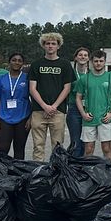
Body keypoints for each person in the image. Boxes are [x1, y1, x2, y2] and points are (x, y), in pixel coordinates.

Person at [27, 32, 76, 162]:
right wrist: (44, 106)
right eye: (47, 43)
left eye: (53, 43)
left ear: (58, 46)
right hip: (38, 110)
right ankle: (39, 170)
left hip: (58, 111)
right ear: (43, 45)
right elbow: (32, 88)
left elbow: (67, 88)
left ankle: (57, 170)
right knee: (38, 146)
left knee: (58, 146)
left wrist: (53, 107)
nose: (50, 46)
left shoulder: (65, 64)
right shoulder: (36, 64)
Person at [75, 49, 111, 161]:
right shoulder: (84, 78)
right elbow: (78, 97)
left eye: (101, 61)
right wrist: (83, 114)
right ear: (91, 61)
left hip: (105, 118)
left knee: (106, 148)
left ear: (105, 62)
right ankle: (88, 170)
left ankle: (108, 170)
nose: (98, 63)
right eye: (96, 61)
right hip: (89, 119)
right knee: (89, 149)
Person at [0, 52, 30, 159]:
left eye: (19, 61)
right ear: (9, 62)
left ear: (23, 64)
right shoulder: (0, 79)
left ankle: (18, 169)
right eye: (14, 60)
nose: (16, 62)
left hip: (23, 117)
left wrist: (30, 118)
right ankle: (1, 169)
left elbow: (33, 98)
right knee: (3, 149)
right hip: (4, 118)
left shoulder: (27, 79)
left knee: (19, 149)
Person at [66, 46, 90, 157]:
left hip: (88, 109)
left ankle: (83, 164)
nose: (83, 57)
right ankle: (74, 164)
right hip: (74, 109)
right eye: (80, 55)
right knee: (76, 142)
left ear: (88, 58)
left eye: (85, 55)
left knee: (87, 142)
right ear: (75, 58)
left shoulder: (92, 73)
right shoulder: (70, 73)